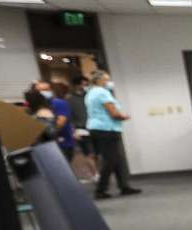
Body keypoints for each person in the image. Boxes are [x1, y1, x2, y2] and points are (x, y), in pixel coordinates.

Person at [85, 69, 141, 200]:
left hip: (96, 128)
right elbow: (114, 113)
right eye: (107, 79)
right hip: (107, 129)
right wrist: (124, 116)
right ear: (100, 80)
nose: (109, 82)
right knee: (110, 160)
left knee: (118, 158)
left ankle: (124, 186)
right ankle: (100, 189)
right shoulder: (103, 93)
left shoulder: (90, 93)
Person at [68, 74, 99, 180]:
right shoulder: (70, 99)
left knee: (97, 153)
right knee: (89, 154)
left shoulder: (90, 96)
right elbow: (69, 117)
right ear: (76, 85)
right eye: (83, 84)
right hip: (81, 129)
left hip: (95, 127)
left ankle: (99, 173)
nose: (85, 86)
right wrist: (73, 131)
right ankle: (95, 175)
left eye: (86, 84)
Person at [48, 81, 76, 162]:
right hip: (64, 142)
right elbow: (61, 122)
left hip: (59, 141)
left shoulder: (52, 102)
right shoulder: (60, 103)